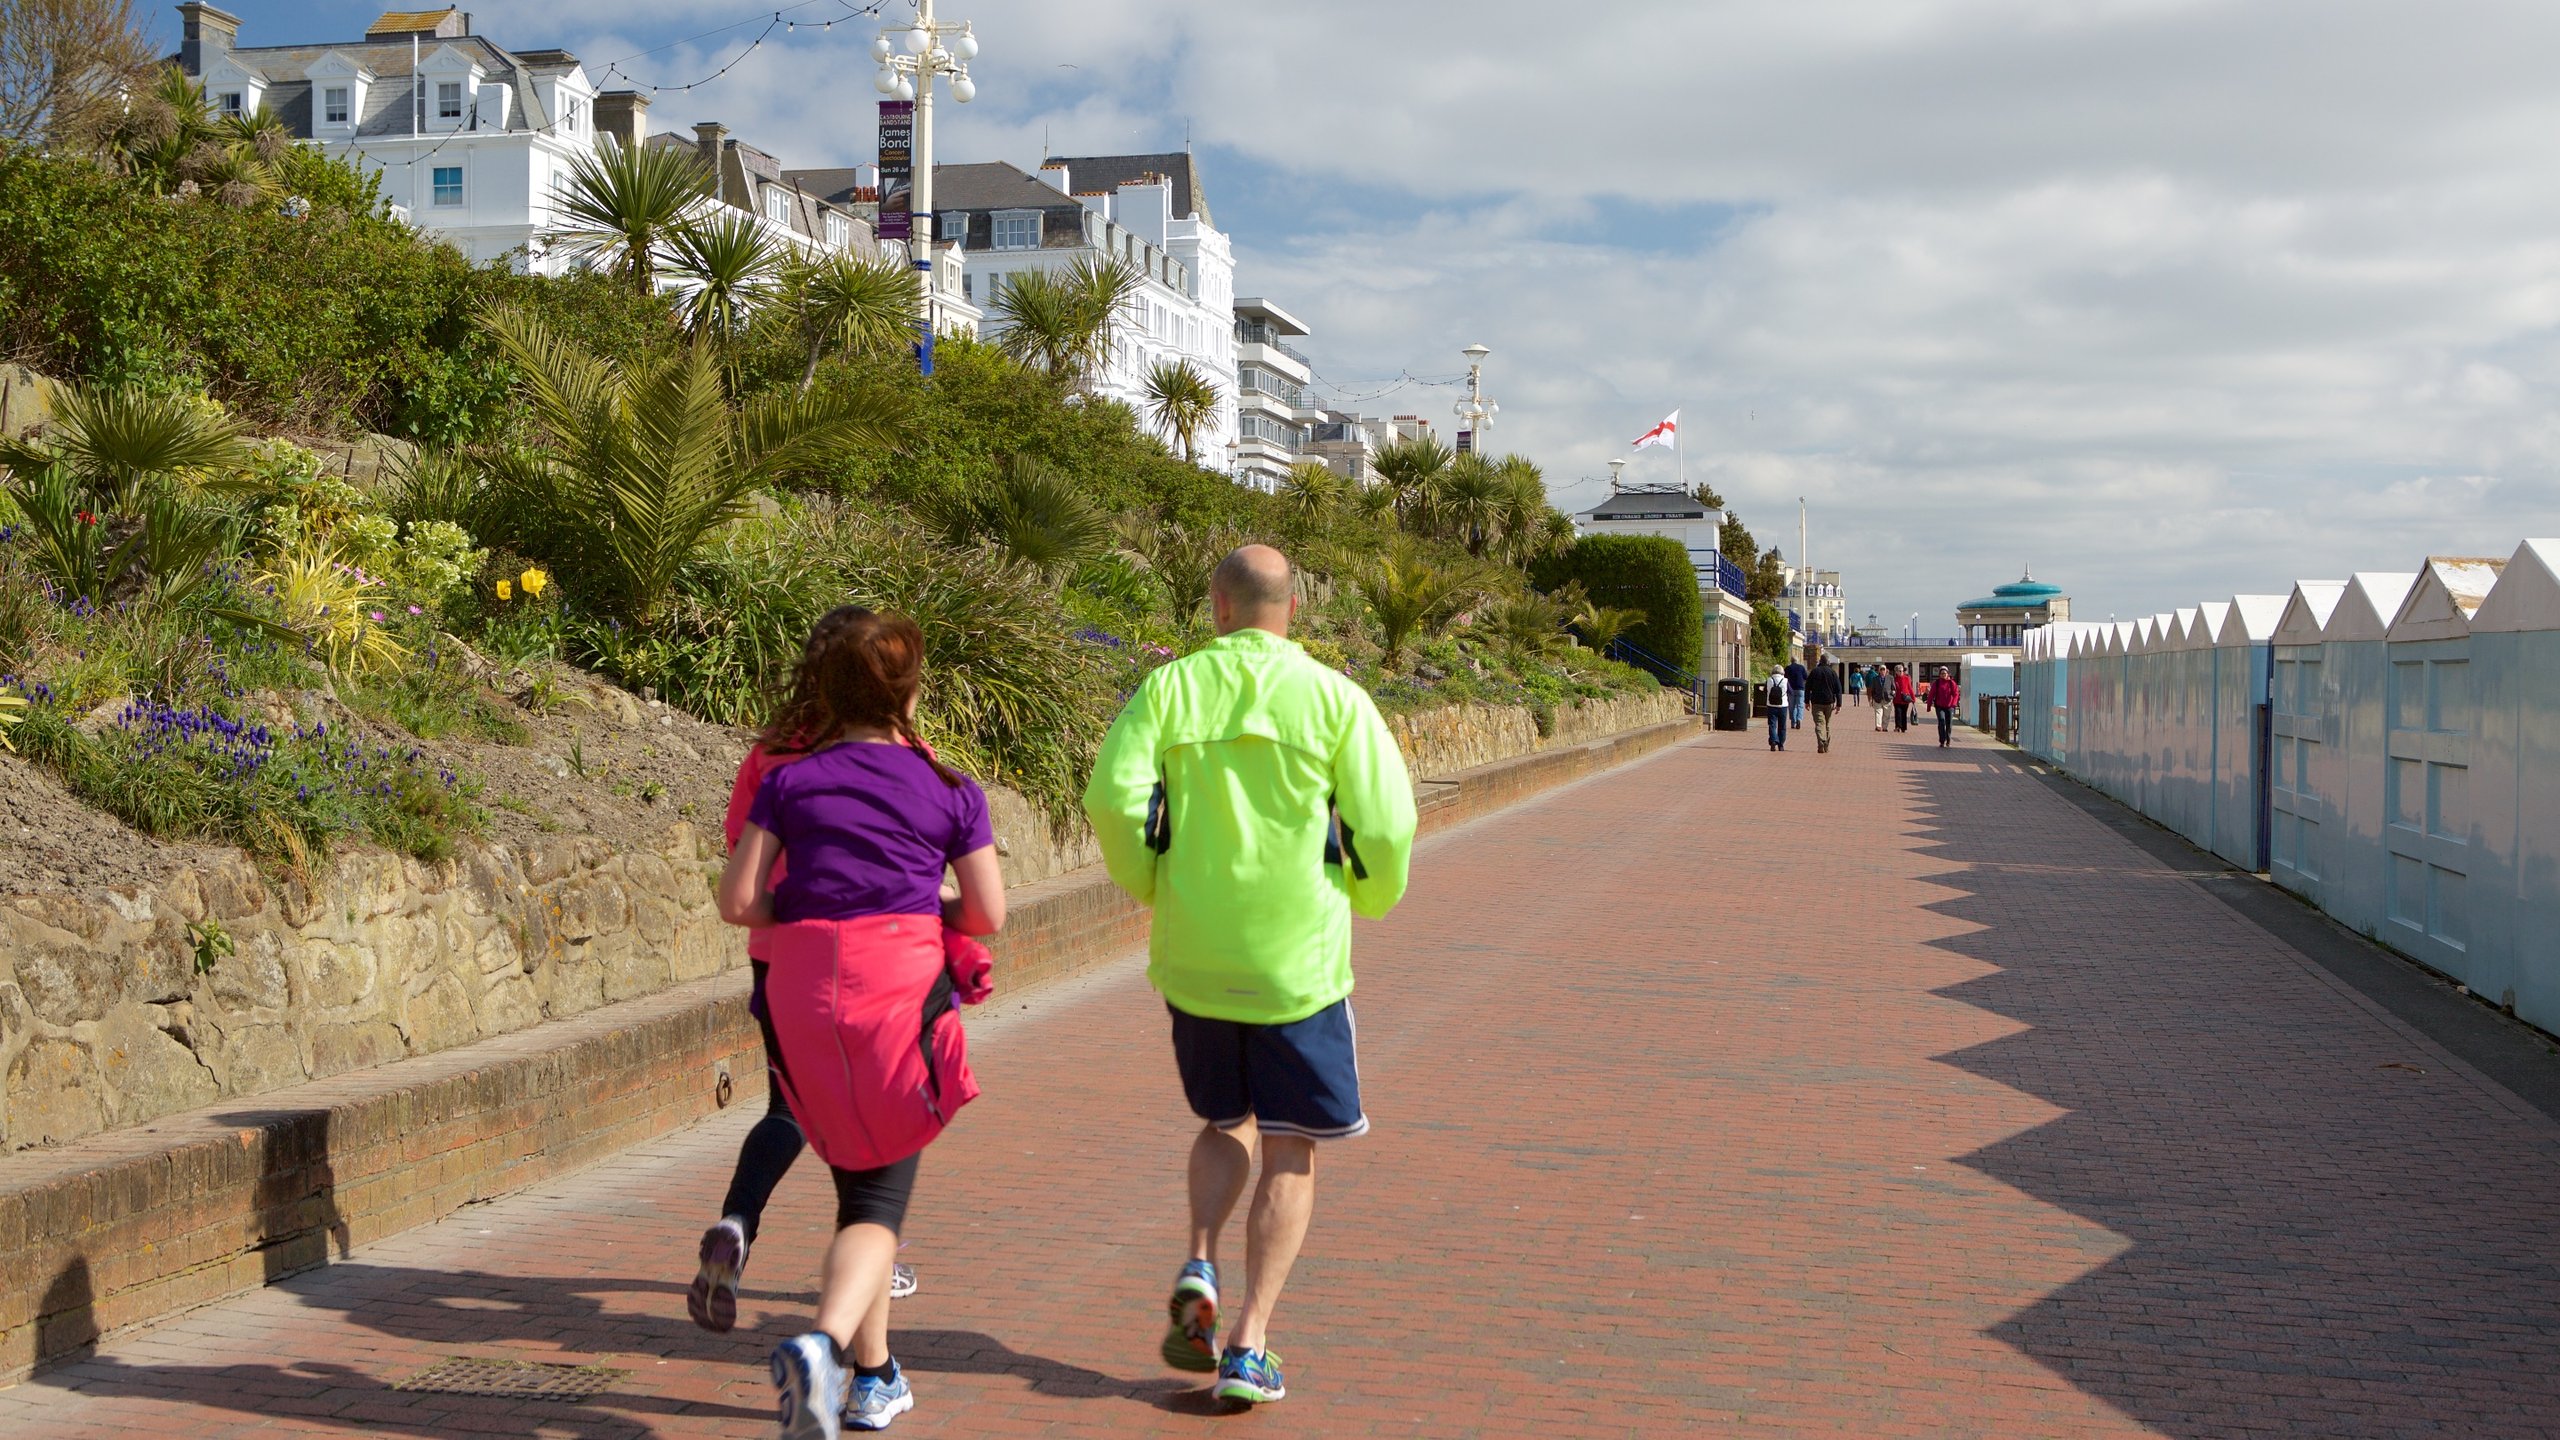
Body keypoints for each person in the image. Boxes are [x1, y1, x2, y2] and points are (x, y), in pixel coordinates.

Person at [1083, 545, 1418, 1410]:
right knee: (1291, 1147)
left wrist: (1153, 883)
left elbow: (1115, 801)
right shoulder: (1336, 700)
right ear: (1292, 612)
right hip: (1296, 965)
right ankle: (1250, 1340)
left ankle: (1201, 1253)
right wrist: (1372, 895)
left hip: (1194, 955)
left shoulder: (1168, 690)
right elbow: (1385, 820)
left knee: (1220, 1120)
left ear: (1218, 608)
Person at [717, 607, 1007, 1437]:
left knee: (857, 1189)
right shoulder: (950, 789)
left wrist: (812, 905)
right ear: (909, 691)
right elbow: (985, 912)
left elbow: (739, 902)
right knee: (879, 1201)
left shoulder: (788, 780)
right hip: (896, 993)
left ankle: (873, 1376)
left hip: (801, 991)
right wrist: (915, 900)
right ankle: (825, 1347)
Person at [692, 632, 924, 1337]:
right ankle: (873, 1250)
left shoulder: (770, 755)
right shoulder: (902, 756)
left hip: (780, 954)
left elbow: (741, 855)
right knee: (866, 1117)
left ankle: (737, 1223)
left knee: (791, 1106)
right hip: (877, 962)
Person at [1804, 653, 1843, 754]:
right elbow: (1838, 689)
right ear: (1828, 662)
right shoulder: (1833, 673)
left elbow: (1807, 687)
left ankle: (1821, 741)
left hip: (1816, 702)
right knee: (1827, 724)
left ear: (1820, 661)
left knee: (1819, 723)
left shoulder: (1814, 672)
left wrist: (1806, 701)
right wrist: (1839, 704)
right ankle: (1826, 745)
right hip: (1829, 702)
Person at [1927, 665, 1963, 749]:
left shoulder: (1952, 683)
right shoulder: (1937, 683)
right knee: (1941, 721)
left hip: (1950, 706)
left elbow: (1956, 694)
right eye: (1942, 673)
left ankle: (1948, 739)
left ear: (1948, 674)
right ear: (1939, 674)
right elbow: (1931, 695)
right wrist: (1929, 706)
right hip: (1939, 706)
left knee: (1949, 723)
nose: (1943, 675)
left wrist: (1954, 704)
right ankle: (1942, 741)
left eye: (1945, 673)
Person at [1763, 668, 1790, 751]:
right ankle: (1781, 744)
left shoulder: (1769, 680)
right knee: (1782, 726)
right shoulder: (1785, 681)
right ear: (1782, 672)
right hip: (1783, 706)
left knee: (1772, 724)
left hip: (1771, 705)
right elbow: (1790, 691)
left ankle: (1773, 740)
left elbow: (1765, 690)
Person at [1783, 655, 1809, 730]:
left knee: (1792, 706)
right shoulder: (1801, 667)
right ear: (1797, 661)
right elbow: (1805, 677)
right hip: (1800, 689)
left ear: (1791, 661)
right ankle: (1799, 719)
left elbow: (1784, 677)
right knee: (1800, 705)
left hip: (1791, 689)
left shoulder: (1788, 668)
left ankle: (1793, 722)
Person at [1892, 664, 1917, 733]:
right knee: (1897, 713)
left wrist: (1913, 698)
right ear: (1896, 672)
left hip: (1905, 699)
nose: (1901, 672)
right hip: (1897, 699)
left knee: (1904, 714)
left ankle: (1903, 727)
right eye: (1899, 671)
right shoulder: (1894, 679)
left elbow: (1910, 688)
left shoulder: (1906, 678)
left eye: (1902, 671)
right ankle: (1897, 726)